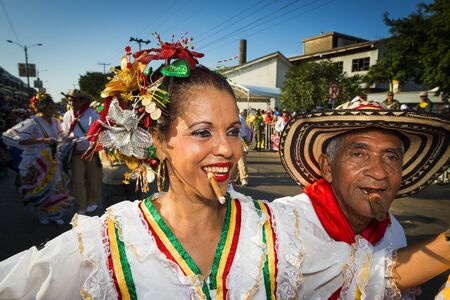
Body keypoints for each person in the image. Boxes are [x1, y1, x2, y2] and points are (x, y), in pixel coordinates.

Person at [1, 37, 449, 299]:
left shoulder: (276, 229)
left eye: (233, 131)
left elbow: (374, 273)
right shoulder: (107, 243)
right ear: (159, 140)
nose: (225, 149)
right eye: (202, 132)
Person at [278, 99, 450, 298]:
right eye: (358, 154)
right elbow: (347, 281)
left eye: (391, 157)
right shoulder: (285, 225)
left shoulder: (393, 229)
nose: (379, 173)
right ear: (327, 167)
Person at [2, 93, 71, 224]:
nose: (53, 111)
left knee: (55, 186)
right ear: (41, 108)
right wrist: (42, 140)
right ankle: (43, 215)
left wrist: (67, 139)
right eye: (50, 108)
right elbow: (19, 140)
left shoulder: (55, 121)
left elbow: (62, 136)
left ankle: (55, 214)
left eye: (53, 108)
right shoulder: (33, 122)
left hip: (52, 159)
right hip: (37, 160)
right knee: (41, 187)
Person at [62, 89, 101, 214]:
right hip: (75, 153)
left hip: (90, 152)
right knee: (78, 181)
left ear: (83, 101)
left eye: (76, 100)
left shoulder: (92, 114)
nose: (73, 102)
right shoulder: (68, 115)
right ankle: (81, 206)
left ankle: (92, 201)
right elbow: (65, 132)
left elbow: (100, 131)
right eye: (71, 100)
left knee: (92, 179)